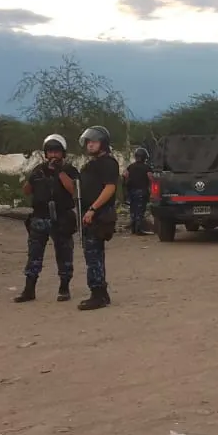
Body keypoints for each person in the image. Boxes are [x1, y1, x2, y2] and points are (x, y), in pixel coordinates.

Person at [14, 134, 79, 303]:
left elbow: (74, 190)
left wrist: (59, 173)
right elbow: (26, 191)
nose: (53, 156)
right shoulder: (39, 169)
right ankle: (29, 289)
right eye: (50, 152)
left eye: (56, 152)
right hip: (39, 217)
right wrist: (33, 177)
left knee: (64, 255)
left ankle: (64, 288)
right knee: (34, 255)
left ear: (63, 153)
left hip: (62, 217)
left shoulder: (70, 170)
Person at [77, 125, 119, 310]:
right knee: (92, 255)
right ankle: (101, 293)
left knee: (94, 255)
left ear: (103, 143)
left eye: (94, 141)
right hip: (88, 214)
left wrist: (93, 209)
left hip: (99, 216)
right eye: (88, 142)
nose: (90, 144)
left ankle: (98, 294)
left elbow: (110, 188)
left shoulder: (108, 163)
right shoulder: (90, 164)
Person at [122, 147, 151, 235]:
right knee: (140, 211)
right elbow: (151, 178)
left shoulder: (131, 166)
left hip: (132, 192)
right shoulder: (146, 167)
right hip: (141, 192)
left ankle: (133, 229)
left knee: (133, 210)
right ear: (145, 157)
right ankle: (139, 229)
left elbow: (125, 175)